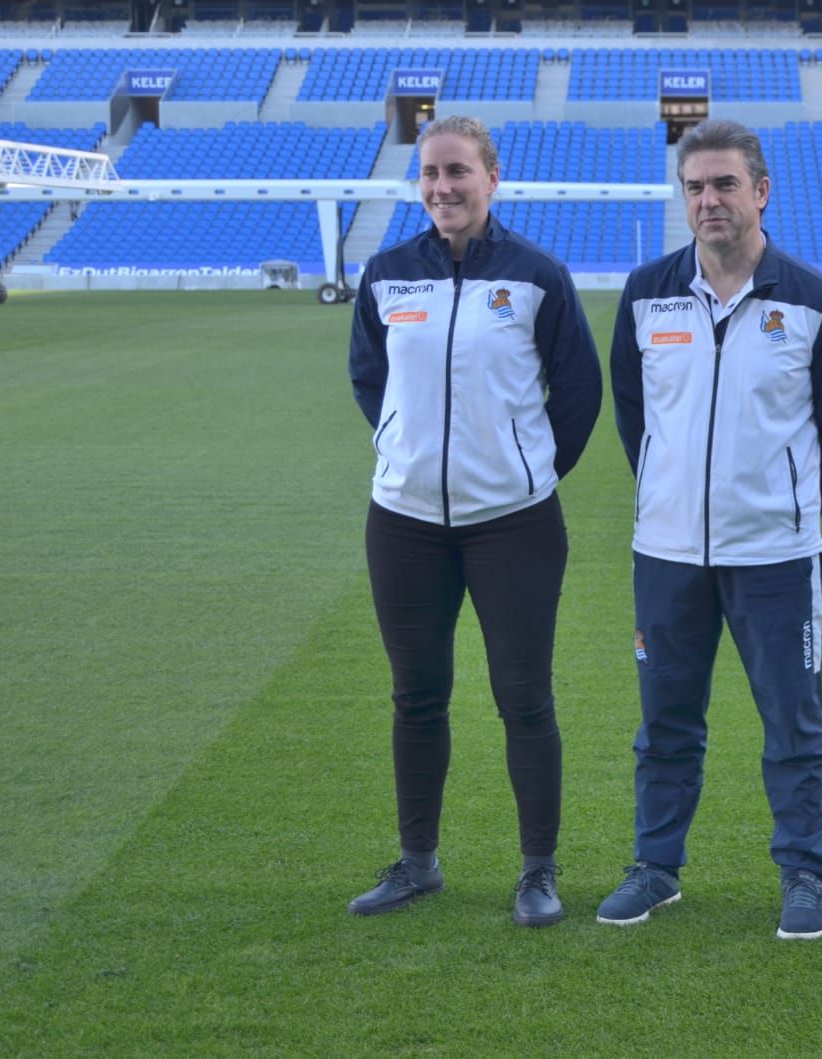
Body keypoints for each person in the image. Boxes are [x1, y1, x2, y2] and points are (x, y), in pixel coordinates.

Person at [598, 119, 822, 940]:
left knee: (794, 723)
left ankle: (805, 873)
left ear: (761, 190)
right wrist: (675, 498)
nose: (709, 200)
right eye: (695, 187)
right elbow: (634, 414)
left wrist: (781, 508)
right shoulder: (648, 294)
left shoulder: (811, 297)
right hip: (668, 555)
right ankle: (655, 866)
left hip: (777, 558)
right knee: (666, 724)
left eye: (724, 184)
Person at [345, 115, 602, 926]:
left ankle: (537, 871)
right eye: (429, 174)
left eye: (458, 171)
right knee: (416, 695)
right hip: (405, 522)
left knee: (523, 697)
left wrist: (522, 473)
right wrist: (406, 452)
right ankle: (418, 863)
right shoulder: (388, 274)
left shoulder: (537, 275)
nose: (442, 188)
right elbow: (370, 379)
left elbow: (579, 392)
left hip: (515, 525)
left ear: (493, 176)